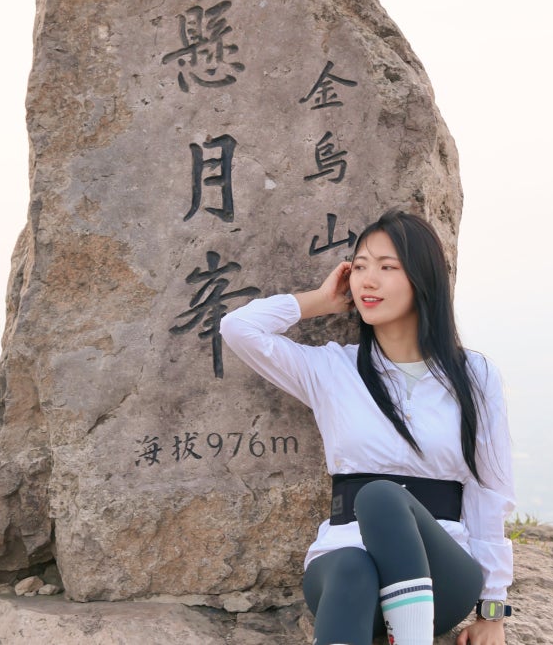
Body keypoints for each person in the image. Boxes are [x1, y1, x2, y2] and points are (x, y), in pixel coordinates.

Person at [220, 209, 515, 645]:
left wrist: (493, 610)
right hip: (347, 568)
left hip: (442, 575)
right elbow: (238, 327)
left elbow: (490, 492)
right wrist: (321, 300)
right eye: (359, 267)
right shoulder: (332, 369)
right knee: (350, 565)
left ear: (423, 279)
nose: (367, 281)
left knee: (381, 496)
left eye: (387, 267)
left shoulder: (473, 375)